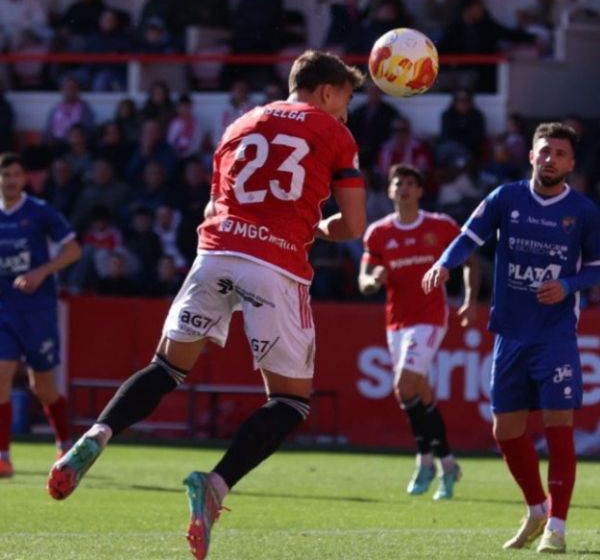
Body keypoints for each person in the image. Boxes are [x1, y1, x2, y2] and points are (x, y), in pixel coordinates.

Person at [47, 50, 367, 560]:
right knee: (290, 401)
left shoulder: (239, 123)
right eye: (346, 99)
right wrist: (319, 227)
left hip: (214, 254)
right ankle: (215, 486)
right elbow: (352, 226)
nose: (346, 112)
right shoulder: (334, 132)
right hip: (276, 264)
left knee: (166, 366)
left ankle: (96, 434)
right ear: (326, 91)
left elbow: (212, 204)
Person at [422, 122, 600, 553]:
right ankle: (536, 509)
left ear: (571, 163)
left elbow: (597, 269)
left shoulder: (582, 211)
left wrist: (569, 285)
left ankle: (557, 526)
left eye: (560, 153)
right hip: (510, 332)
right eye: (544, 151)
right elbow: (468, 236)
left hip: (555, 334)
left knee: (559, 425)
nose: (551, 159)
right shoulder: (506, 198)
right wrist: (445, 264)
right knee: (505, 430)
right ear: (531, 155)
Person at [358, 162, 478, 500]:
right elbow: (364, 279)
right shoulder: (378, 233)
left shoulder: (439, 227)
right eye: (399, 183)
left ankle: (424, 459)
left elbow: (469, 259)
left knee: (403, 385)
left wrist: (469, 299)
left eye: (411, 183)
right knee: (419, 391)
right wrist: (372, 281)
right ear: (390, 190)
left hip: (430, 316)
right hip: (396, 321)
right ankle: (448, 463)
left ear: (420, 191)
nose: (404, 188)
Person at [0, 153, 82, 477]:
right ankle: (3, 456)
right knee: (1, 376)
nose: (10, 180)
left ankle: (65, 443)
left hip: (37, 311)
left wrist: (41, 272)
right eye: (5, 175)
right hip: (4, 310)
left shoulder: (39, 212)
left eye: (16, 175)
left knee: (43, 387)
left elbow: (73, 249)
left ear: (25, 179)